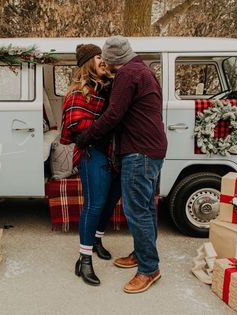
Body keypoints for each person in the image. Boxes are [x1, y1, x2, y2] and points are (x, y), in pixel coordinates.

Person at [76, 36, 168, 294]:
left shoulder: (128, 75)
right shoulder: (144, 70)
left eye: (107, 60)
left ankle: (149, 269)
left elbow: (113, 115)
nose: (105, 64)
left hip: (139, 152)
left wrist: (87, 137)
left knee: (137, 211)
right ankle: (142, 253)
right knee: (147, 208)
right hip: (153, 149)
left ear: (115, 60)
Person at [60, 43, 121, 286]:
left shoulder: (111, 86)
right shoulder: (79, 91)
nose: (103, 60)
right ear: (88, 62)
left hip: (115, 152)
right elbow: (76, 127)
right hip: (92, 152)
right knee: (94, 205)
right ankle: (84, 260)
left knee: (111, 200)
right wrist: (104, 129)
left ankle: (96, 240)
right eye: (98, 57)